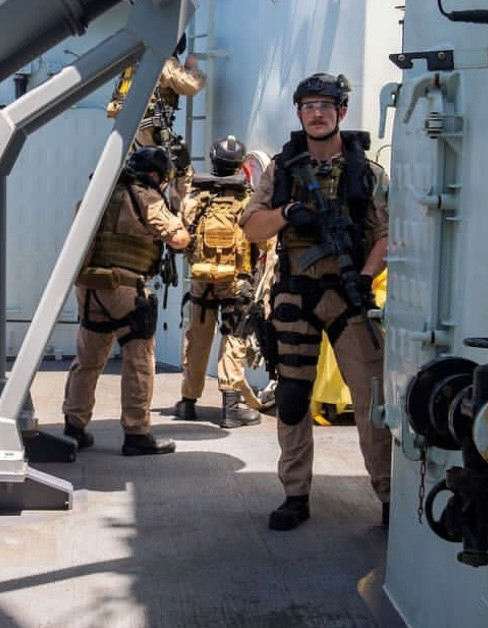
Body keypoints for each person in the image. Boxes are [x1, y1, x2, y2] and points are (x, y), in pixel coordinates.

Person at [240, 73, 392, 530]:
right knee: (291, 397)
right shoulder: (282, 170)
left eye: (326, 105)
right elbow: (251, 227)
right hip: (296, 294)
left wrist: (366, 277)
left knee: (371, 401)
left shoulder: (368, 172)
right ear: (300, 112)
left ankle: (388, 495)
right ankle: (295, 494)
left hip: (349, 298)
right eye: (308, 106)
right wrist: (286, 213)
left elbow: (387, 233)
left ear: (342, 111)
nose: (317, 113)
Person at [62, 146, 190, 455]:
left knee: (88, 360)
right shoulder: (146, 196)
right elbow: (177, 239)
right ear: (158, 175)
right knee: (139, 360)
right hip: (125, 289)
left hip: (90, 287)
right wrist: (181, 224)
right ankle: (136, 433)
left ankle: (74, 428)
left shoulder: (100, 192)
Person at [175, 135, 272, 428]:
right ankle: (231, 406)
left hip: (200, 280)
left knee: (197, 337)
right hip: (236, 281)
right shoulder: (248, 201)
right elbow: (266, 242)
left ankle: (188, 402)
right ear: (241, 164)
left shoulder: (194, 199)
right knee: (234, 337)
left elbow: (181, 233)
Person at [107, 35, 206, 209]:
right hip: (151, 130)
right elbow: (189, 85)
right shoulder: (163, 59)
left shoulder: (136, 60)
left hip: (130, 130)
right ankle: (178, 217)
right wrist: (193, 68)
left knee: (142, 174)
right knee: (180, 170)